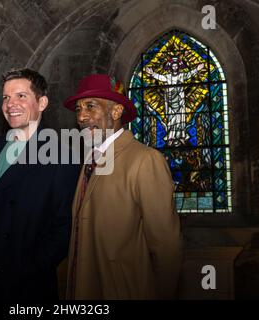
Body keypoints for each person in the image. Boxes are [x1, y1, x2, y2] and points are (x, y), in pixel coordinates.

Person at [0, 68, 80, 300]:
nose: (10, 104)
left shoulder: (62, 157)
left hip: (22, 288)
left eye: (21, 96)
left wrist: (30, 268)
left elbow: (65, 228)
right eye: (6, 97)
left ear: (42, 103)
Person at [63, 74, 183, 299]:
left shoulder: (145, 160)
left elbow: (166, 247)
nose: (81, 116)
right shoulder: (91, 159)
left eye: (90, 106)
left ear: (116, 112)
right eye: (78, 109)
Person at [146, 57, 205, 146]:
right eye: (173, 66)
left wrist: (197, 69)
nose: (174, 68)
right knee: (171, 120)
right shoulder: (167, 77)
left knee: (180, 119)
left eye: (176, 66)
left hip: (180, 102)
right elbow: (160, 77)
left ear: (178, 67)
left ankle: (181, 136)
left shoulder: (181, 75)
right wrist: (152, 73)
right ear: (171, 68)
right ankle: (171, 137)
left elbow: (189, 74)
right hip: (170, 102)